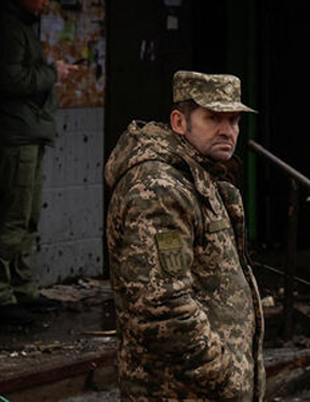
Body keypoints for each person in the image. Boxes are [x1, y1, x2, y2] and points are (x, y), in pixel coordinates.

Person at [105, 71, 265, 400]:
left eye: (233, 120)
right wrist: (226, 377)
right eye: (213, 118)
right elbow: (161, 306)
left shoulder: (200, 176)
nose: (228, 131)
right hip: (177, 391)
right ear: (179, 122)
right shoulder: (159, 188)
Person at [0, 0, 77, 325]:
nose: (45, 2)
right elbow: (10, 81)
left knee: (27, 215)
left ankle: (22, 289)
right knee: (11, 215)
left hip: (25, 131)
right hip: (11, 133)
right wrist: (52, 73)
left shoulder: (15, 22)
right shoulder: (3, 26)